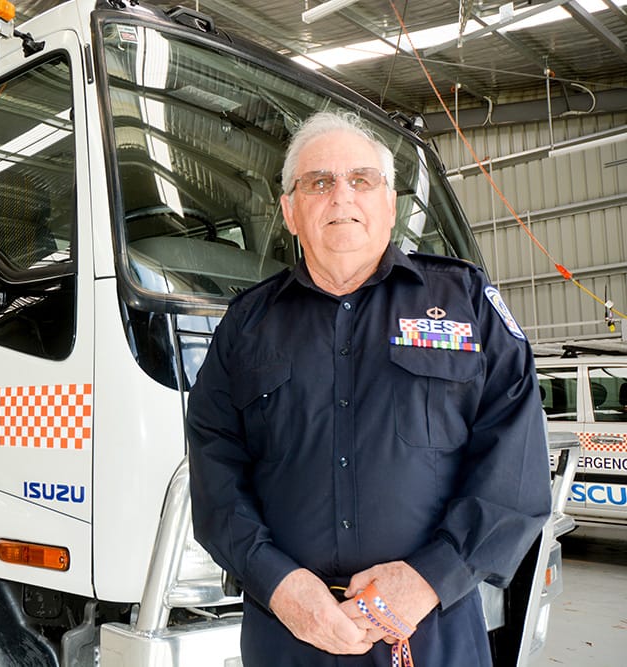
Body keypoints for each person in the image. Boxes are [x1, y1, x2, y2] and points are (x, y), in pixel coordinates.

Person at [186, 110, 551, 666]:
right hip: (288, 633)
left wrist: (429, 580)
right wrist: (279, 584)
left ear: (389, 203)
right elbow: (216, 472)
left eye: (361, 180)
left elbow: (516, 463)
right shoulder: (245, 326)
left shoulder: (466, 304)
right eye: (319, 182)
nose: (341, 197)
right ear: (290, 210)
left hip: (429, 631)